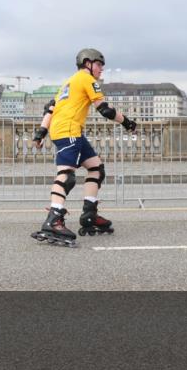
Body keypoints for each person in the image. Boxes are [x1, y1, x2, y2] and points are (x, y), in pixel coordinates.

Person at [32, 48, 136, 247]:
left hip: (67, 130)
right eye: (98, 65)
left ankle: (89, 214)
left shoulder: (68, 82)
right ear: (87, 63)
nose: (101, 69)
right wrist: (128, 123)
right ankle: (54, 219)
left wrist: (41, 132)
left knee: (96, 168)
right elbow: (104, 109)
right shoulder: (87, 79)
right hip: (69, 131)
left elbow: (50, 108)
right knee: (66, 174)